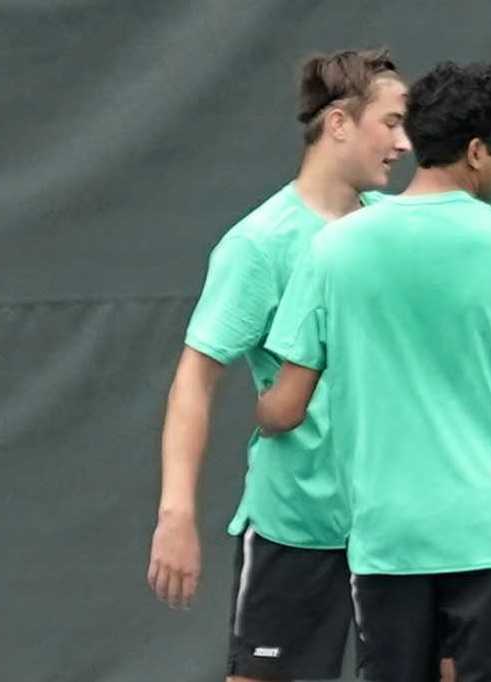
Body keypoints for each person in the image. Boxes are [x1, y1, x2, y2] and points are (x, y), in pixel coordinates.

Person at [256, 61, 491, 682]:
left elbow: (285, 406)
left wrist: (261, 413)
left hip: (388, 544)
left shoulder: (334, 248)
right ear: (477, 151)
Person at [146, 48, 411, 682]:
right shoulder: (258, 246)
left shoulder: (397, 232)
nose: (404, 143)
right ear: (340, 124)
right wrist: (176, 513)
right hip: (297, 526)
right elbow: (196, 378)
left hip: (401, 526)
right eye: (392, 122)